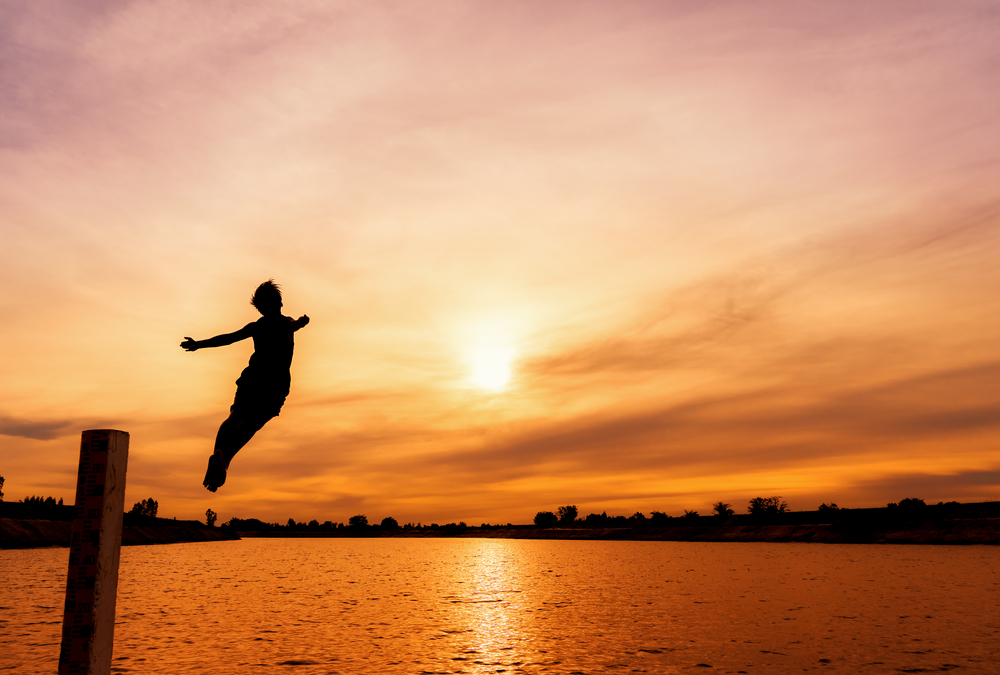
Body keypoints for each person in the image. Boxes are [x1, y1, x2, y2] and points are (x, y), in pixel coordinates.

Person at [181, 280, 309, 491]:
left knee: (234, 418)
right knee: (255, 419)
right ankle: (225, 460)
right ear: (280, 303)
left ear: (259, 308)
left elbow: (228, 339)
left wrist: (198, 344)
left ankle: (217, 458)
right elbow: (292, 324)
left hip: (252, 377)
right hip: (275, 382)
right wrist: (301, 323)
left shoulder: (256, 327)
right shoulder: (285, 323)